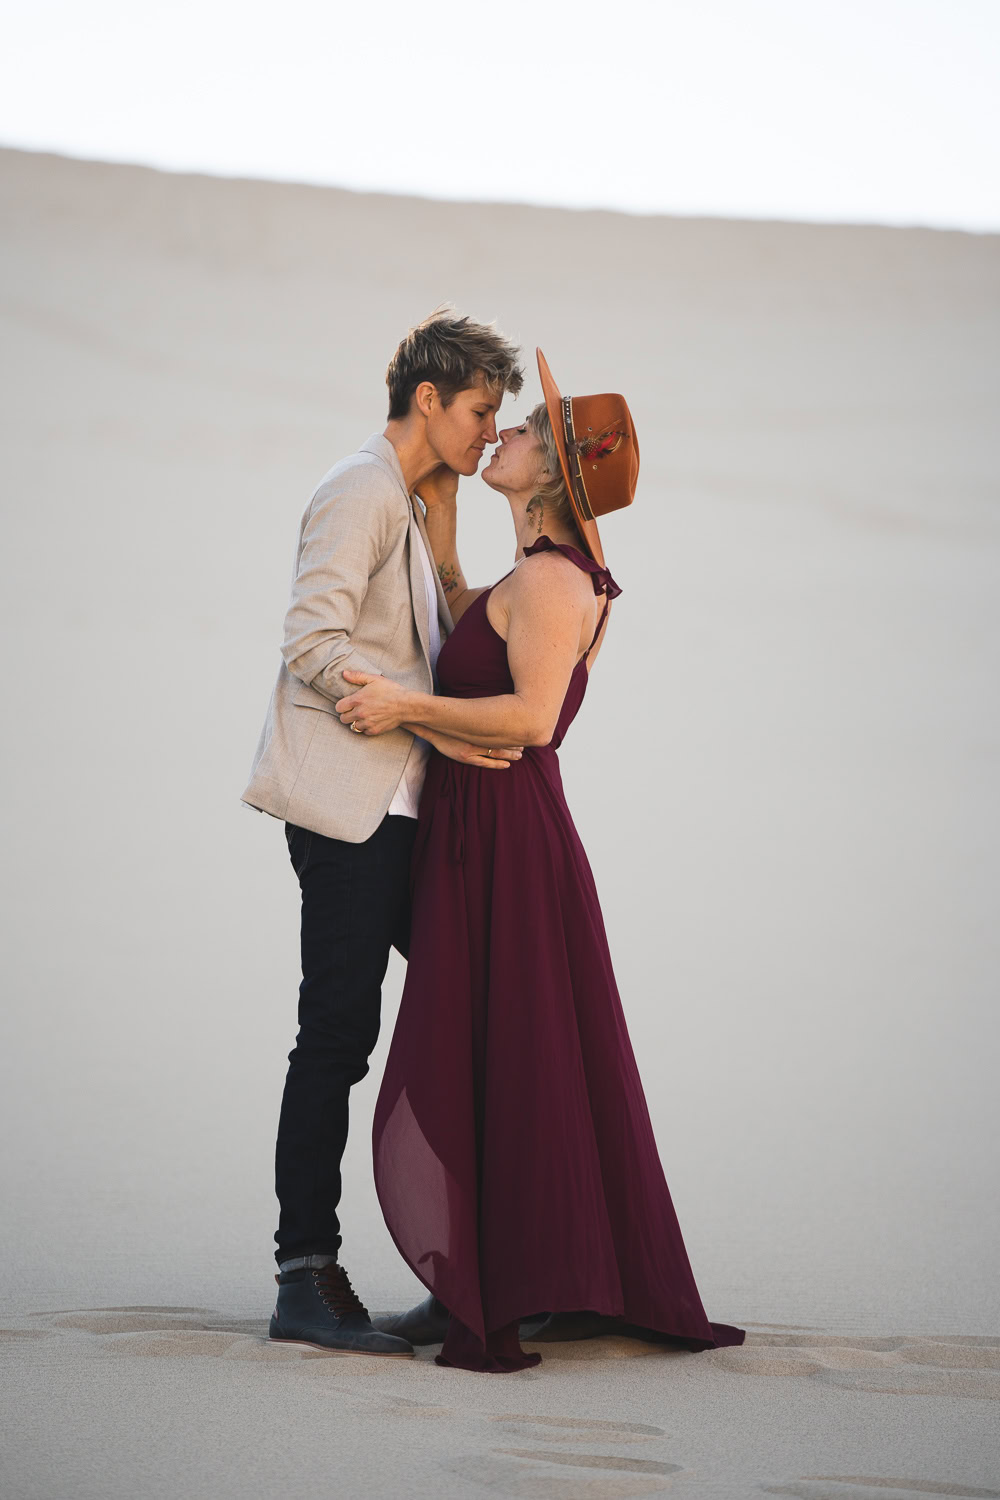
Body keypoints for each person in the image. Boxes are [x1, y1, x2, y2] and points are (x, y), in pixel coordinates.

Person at [334, 349, 747, 1372]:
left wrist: (402, 708)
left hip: (507, 839)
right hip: (484, 834)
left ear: (554, 473)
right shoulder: (532, 576)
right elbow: (458, 597)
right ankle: (495, 1269)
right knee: (498, 1054)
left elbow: (525, 719)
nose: (501, 435)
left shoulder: (558, 583)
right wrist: (434, 471)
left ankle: (491, 1282)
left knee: (495, 1053)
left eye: (518, 433)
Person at [241, 310, 524, 1356]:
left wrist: (449, 545)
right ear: (428, 399)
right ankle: (303, 1276)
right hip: (349, 812)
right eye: (481, 412)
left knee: (469, 1014)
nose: (490, 433)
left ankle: (483, 1266)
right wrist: (385, 700)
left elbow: (439, 650)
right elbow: (310, 635)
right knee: (336, 1039)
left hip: (409, 813)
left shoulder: (412, 500)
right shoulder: (360, 487)